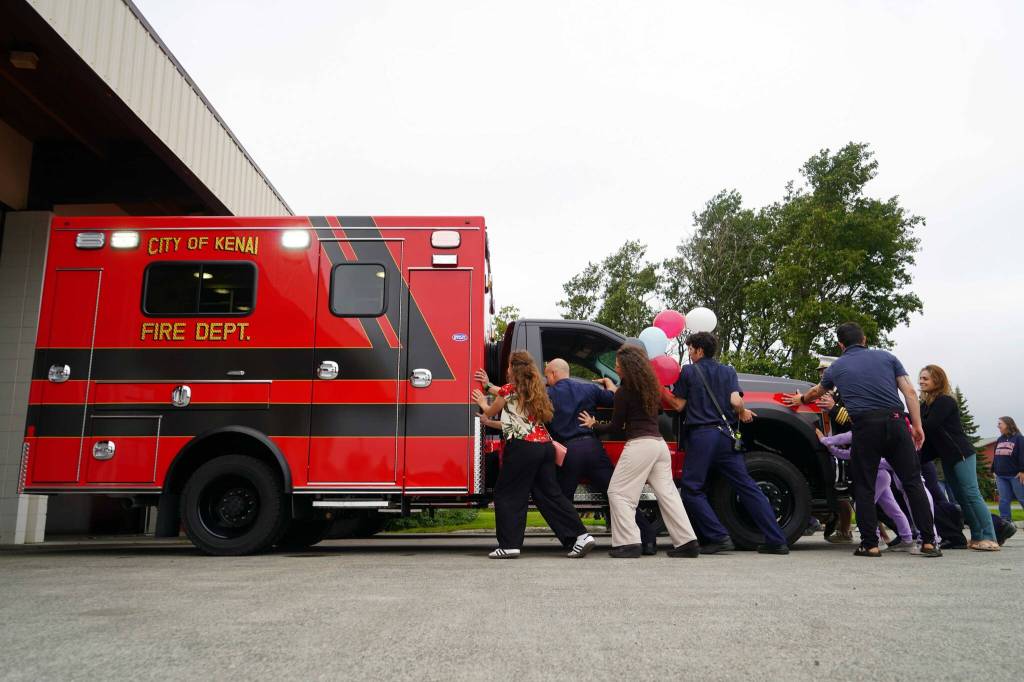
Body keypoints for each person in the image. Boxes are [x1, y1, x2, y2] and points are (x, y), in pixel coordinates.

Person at [782, 322, 940, 557]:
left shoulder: (837, 367)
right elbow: (909, 392)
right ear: (864, 339)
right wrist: (916, 426)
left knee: (865, 487)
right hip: (897, 422)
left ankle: (870, 544)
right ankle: (928, 542)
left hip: (865, 427)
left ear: (840, 344)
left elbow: (817, 392)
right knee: (913, 482)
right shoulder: (888, 358)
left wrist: (800, 400)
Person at [476, 360, 658, 553]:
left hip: (568, 453)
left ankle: (574, 538)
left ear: (553, 374)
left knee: (556, 498)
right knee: (618, 494)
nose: (546, 379)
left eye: (547, 375)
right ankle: (648, 539)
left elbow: (513, 393)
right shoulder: (589, 389)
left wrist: (487, 387)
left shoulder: (546, 394)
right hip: (593, 449)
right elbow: (614, 398)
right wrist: (610, 383)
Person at [662, 332, 790, 555]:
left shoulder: (689, 371)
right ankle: (777, 539)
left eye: (690, 349)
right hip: (726, 436)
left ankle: (718, 536)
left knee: (691, 489)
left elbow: (678, 405)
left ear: (699, 350)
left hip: (702, 436)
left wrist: (658, 388)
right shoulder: (728, 370)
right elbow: (735, 400)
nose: (689, 354)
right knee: (746, 485)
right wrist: (741, 411)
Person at [578, 344, 699, 558]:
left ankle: (629, 543)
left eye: (618, 365)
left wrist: (594, 424)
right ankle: (687, 542)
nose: (616, 368)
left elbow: (615, 427)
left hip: (641, 445)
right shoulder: (651, 388)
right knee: (668, 494)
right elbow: (658, 410)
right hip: (659, 446)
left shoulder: (624, 392)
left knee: (618, 493)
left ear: (628, 367)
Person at [472, 351, 596, 559]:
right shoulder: (536, 390)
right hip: (544, 448)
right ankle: (580, 535)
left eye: (509, 366)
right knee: (549, 495)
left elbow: (491, 409)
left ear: (513, 368)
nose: (507, 369)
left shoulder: (510, 390)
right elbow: (507, 411)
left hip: (522, 449)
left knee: (507, 494)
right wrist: (487, 385)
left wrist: (482, 401)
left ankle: (509, 545)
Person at [918, 365, 999, 552]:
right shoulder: (926, 405)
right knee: (961, 497)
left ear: (937, 381)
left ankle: (990, 536)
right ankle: (977, 536)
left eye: (925, 379)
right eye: (920, 378)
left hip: (961, 453)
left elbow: (928, 426)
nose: (921, 381)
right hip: (947, 457)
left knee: (971, 493)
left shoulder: (945, 401)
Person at [815, 357, 854, 544]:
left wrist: (833, 407)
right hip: (830, 448)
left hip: (846, 449)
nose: (822, 375)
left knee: (844, 493)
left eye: (825, 372)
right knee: (837, 492)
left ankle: (845, 531)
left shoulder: (846, 392)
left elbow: (852, 421)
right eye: (821, 373)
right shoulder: (823, 394)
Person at [993, 416, 1024, 522]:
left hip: (1015, 475)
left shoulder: (1019, 438)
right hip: (1000, 476)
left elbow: (1022, 455)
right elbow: (996, 456)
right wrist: (994, 470)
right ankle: (1005, 523)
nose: (998, 426)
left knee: (1022, 498)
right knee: (1004, 500)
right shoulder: (999, 439)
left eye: (1000, 424)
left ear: (1007, 424)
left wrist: (1022, 471)